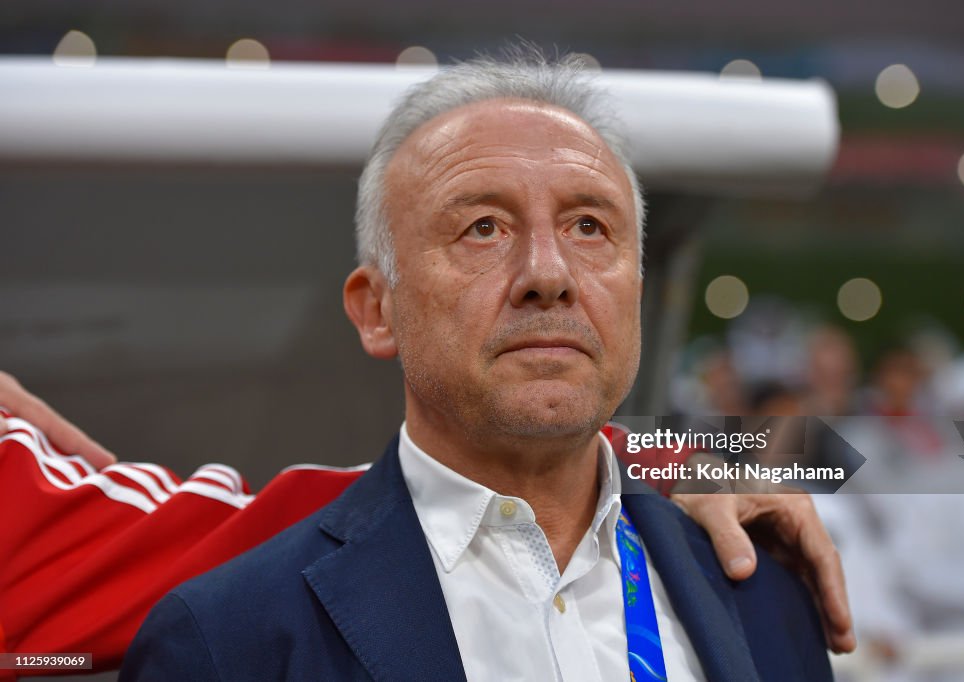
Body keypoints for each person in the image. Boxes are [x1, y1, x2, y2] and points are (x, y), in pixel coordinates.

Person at [1, 50, 851, 680]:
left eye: (591, 226)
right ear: (376, 309)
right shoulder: (228, 634)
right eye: (481, 228)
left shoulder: (757, 590)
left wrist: (665, 467)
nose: (549, 274)